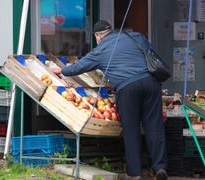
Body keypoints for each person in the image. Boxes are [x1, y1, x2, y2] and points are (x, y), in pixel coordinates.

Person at [54, 20, 168, 180]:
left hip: (127, 88)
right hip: (151, 82)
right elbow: (153, 54)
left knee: (131, 130)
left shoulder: (101, 49)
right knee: (154, 126)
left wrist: (63, 70)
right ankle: (160, 167)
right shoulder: (135, 36)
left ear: (98, 36)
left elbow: (81, 66)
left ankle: (135, 174)